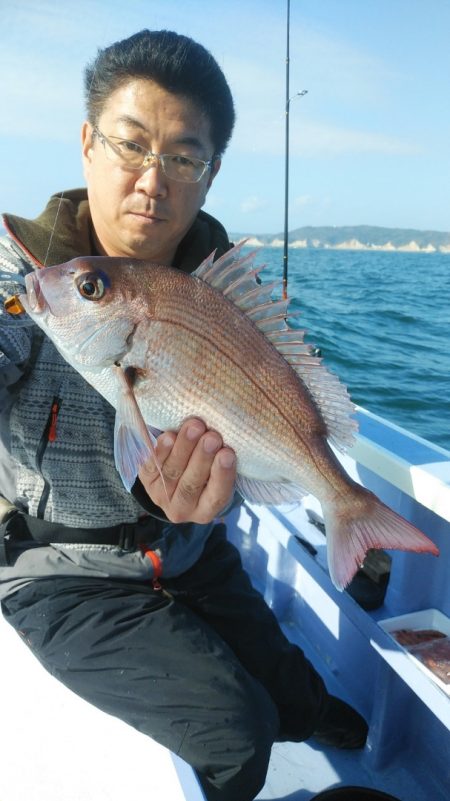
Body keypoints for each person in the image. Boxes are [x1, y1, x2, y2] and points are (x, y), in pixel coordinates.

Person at [0, 30, 367, 801]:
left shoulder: (225, 295)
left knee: (301, 700)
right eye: (130, 146)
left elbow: (249, 442)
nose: (151, 182)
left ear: (210, 172)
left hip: (189, 548)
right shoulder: (21, 281)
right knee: (239, 730)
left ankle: (310, 709)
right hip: (63, 575)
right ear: (87, 143)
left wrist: (214, 496)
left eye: (182, 158)